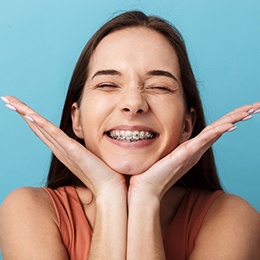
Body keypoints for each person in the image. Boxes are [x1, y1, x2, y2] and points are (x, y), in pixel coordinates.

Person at [0, 10, 260, 260]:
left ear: (186, 125)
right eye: (108, 84)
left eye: (159, 86)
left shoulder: (233, 218)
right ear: (76, 119)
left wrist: (145, 199)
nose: (134, 103)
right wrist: (109, 195)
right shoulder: (28, 211)